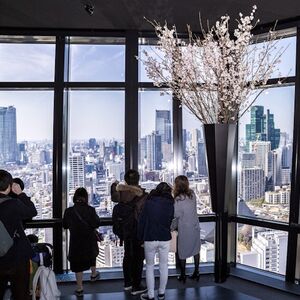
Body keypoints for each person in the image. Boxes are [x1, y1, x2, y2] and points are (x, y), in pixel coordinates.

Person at [0, 169, 37, 300]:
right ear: (9, 186)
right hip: (18, 257)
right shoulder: (13, 203)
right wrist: (20, 194)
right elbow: (32, 211)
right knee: (21, 294)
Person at [111, 169, 147, 296]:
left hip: (125, 231)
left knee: (127, 256)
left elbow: (114, 197)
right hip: (137, 231)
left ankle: (127, 283)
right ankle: (137, 285)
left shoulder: (120, 193)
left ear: (126, 180)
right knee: (138, 258)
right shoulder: (142, 195)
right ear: (138, 179)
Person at [138, 182, 174, 300]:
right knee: (164, 266)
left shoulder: (149, 203)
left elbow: (142, 221)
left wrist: (140, 238)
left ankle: (151, 295)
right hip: (164, 237)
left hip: (150, 237)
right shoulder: (170, 204)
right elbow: (170, 221)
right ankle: (161, 293)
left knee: (149, 266)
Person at [63, 187, 101, 297]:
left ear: (75, 198)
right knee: (92, 255)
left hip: (75, 242)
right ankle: (93, 274)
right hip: (89, 241)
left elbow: (65, 225)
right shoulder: (90, 210)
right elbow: (96, 223)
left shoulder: (69, 211)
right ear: (86, 198)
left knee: (77, 264)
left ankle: (79, 288)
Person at [173, 175, 201, 283]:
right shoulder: (192, 194)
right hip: (194, 226)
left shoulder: (178, 199)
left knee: (182, 251)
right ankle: (196, 272)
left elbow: (176, 214)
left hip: (185, 228)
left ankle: (183, 274)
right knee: (196, 249)